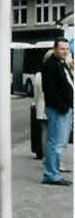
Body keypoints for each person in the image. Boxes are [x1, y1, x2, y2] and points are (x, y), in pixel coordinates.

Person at [39, 37, 73, 186]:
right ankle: (51, 175)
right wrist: (63, 107)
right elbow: (50, 90)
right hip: (58, 110)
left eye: (67, 49)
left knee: (60, 142)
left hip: (64, 109)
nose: (65, 51)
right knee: (56, 143)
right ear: (55, 49)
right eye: (62, 49)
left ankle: (53, 172)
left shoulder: (60, 63)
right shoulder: (51, 65)